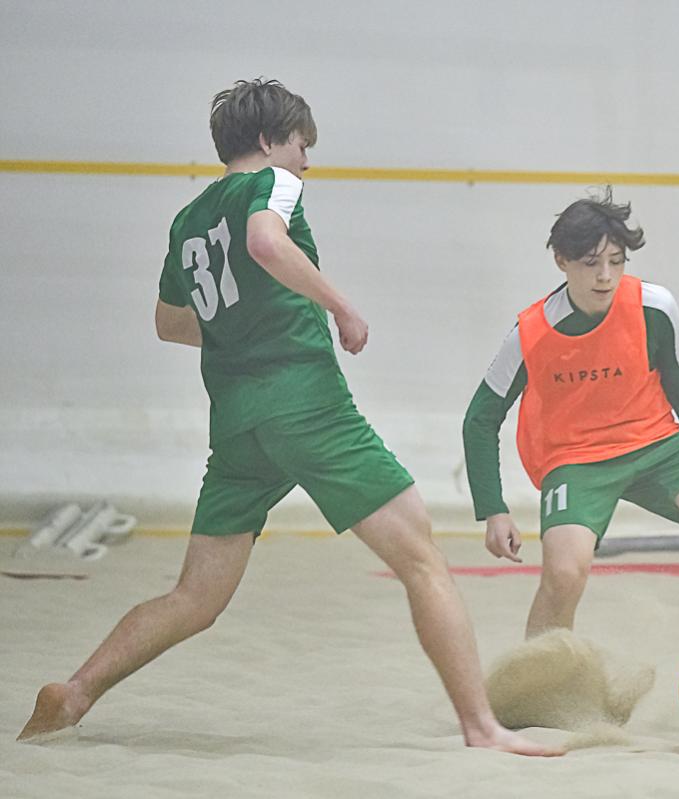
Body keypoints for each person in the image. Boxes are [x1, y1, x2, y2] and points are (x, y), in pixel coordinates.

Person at [18, 79, 560, 756]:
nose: (307, 161)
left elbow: (168, 322)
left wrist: (239, 331)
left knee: (194, 597)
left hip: (237, 425)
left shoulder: (187, 220)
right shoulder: (271, 184)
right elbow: (266, 244)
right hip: (307, 407)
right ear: (269, 140)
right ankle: (482, 728)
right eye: (302, 145)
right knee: (424, 561)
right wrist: (342, 307)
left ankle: (74, 691)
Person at [462, 188, 679, 704]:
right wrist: (493, 509)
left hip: (656, 443)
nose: (605, 276)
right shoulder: (531, 332)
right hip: (574, 460)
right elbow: (479, 420)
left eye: (616, 261)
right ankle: (534, 692)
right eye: (591, 263)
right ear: (561, 260)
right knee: (565, 572)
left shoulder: (654, 307)